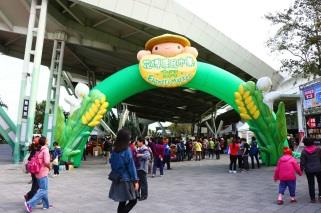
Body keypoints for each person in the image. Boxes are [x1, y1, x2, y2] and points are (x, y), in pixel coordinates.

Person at [109, 128, 139, 213]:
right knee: (133, 200)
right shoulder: (127, 150)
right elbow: (131, 167)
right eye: (129, 137)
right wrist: (135, 180)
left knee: (122, 202)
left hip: (117, 178)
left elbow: (112, 163)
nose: (130, 139)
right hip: (126, 180)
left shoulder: (114, 150)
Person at [24, 136, 52, 212]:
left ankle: (46, 205)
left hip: (38, 172)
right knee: (43, 190)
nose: (48, 140)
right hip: (43, 172)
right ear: (45, 141)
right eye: (47, 140)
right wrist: (50, 167)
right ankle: (30, 203)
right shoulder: (45, 150)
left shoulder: (39, 149)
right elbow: (46, 162)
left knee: (43, 189)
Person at [300, 138, 321, 203]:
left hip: (309, 170)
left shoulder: (304, 151)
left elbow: (302, 162)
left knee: (311, 184)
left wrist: (301, 169)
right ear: (313, 142)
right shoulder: (318, 149)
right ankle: (320, 196)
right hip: (319, 168)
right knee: (320, 183)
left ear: (305, 144)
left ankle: (313, 198)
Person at [24, 136, 40, 202]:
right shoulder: (37, 150)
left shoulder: (34, 149)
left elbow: (29, 158)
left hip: (34, 170)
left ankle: (29, 195)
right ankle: (29, 196)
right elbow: (29, 158)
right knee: (36, 185)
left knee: (35, 184)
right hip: (36, 170)